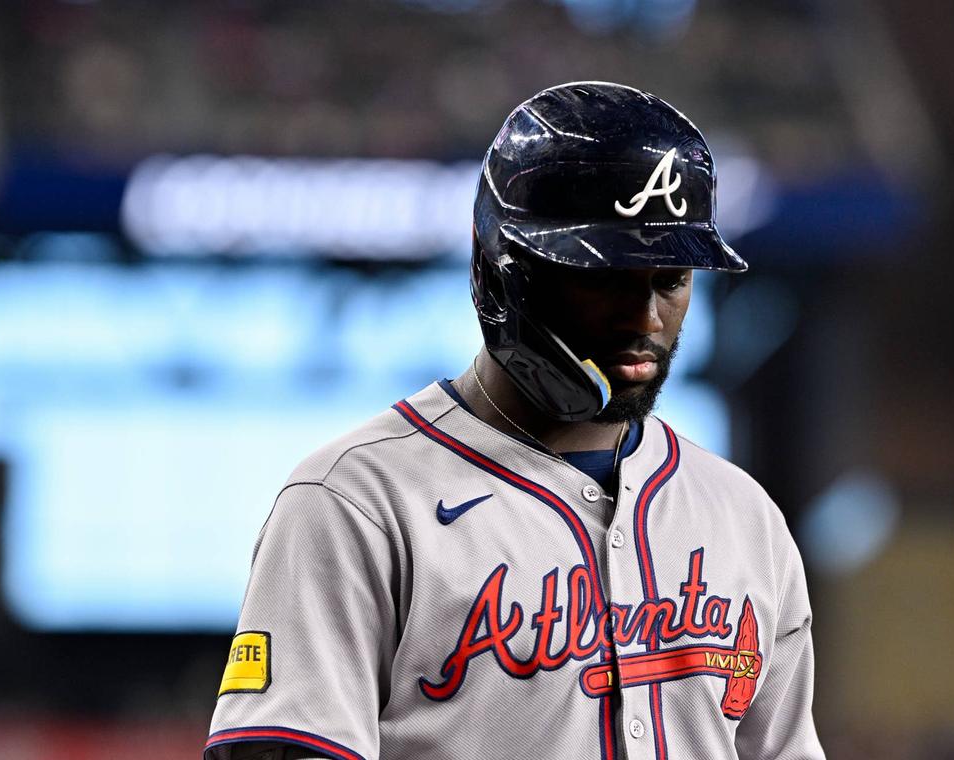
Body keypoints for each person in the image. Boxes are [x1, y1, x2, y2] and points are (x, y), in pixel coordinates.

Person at [205, 81, 825, 760]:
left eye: (669, 280)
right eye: (606, 277)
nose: (646, 319)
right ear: (501, 270)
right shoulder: (354, 501)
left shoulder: (744, 519)